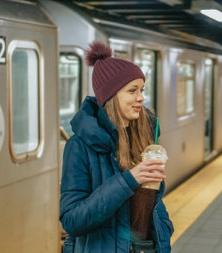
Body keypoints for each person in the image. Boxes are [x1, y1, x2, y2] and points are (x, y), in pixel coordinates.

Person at [60, 42, 174, 253]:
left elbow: (154, 204)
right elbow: (71, 219)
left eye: (141, 90)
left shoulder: (142, 138)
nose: (141, 97)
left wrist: (163, 230)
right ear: (111, 97)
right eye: (132, 91)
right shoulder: (79, 147)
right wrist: (128, 180)